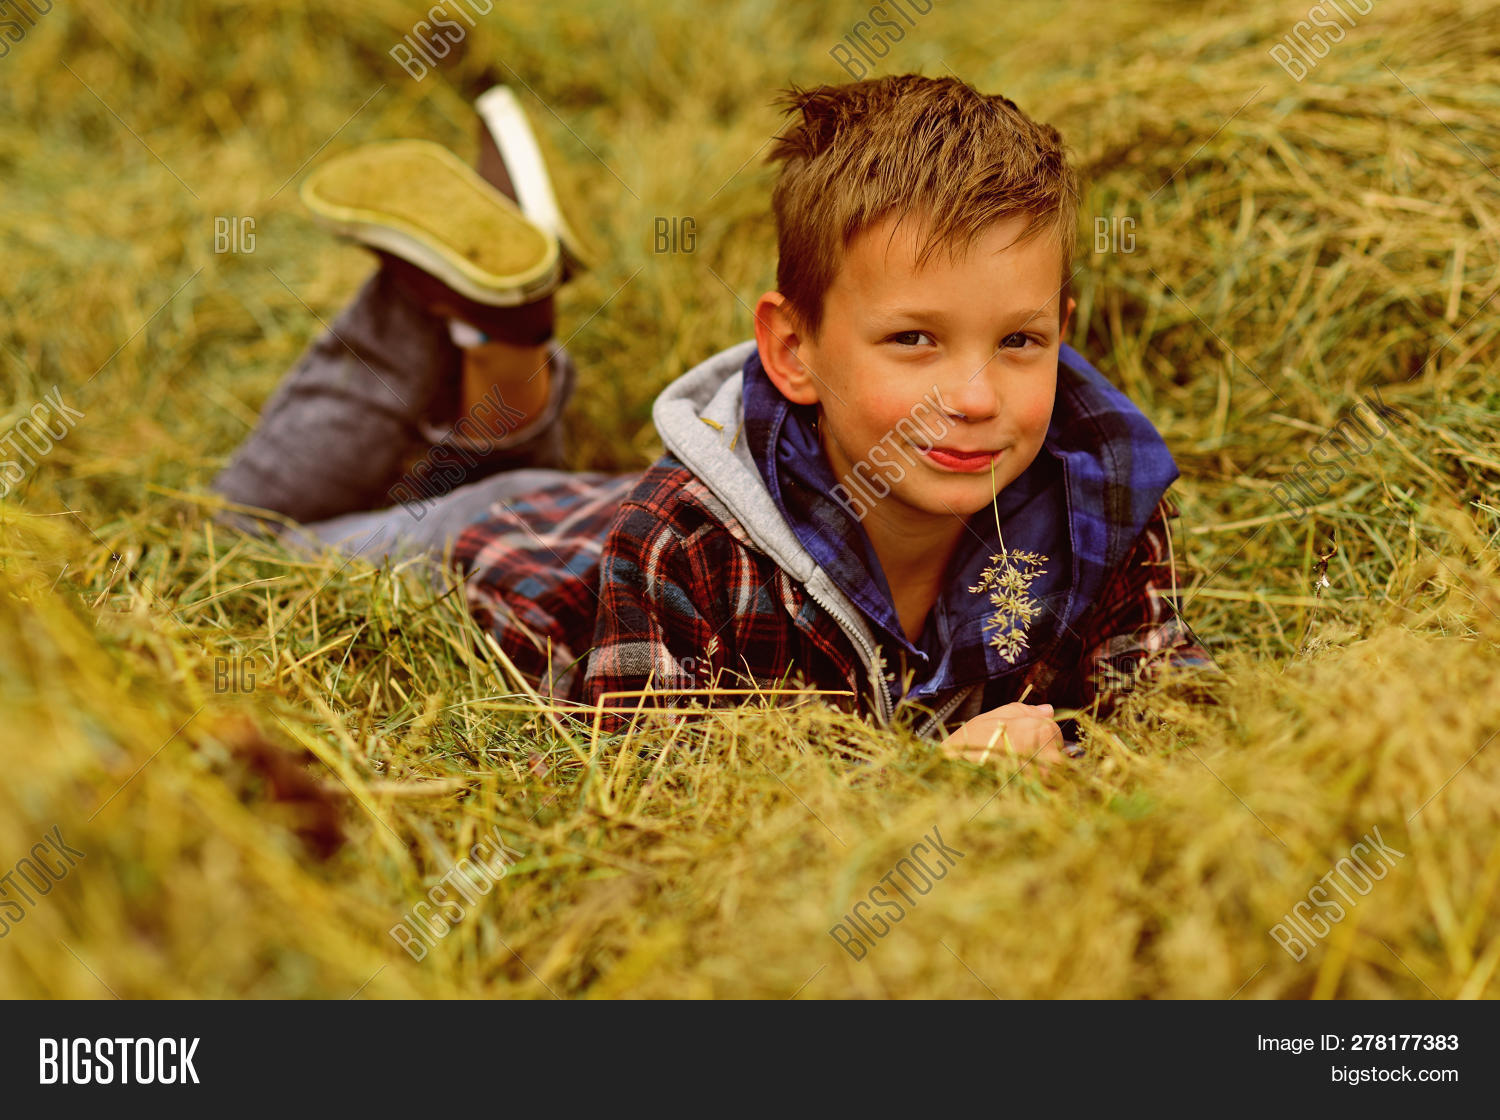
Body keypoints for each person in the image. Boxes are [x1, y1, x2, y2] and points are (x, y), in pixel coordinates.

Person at [214, 75, 1215, 768]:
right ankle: (419, 308)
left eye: (1020, 342)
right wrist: (934, 783)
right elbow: (659, 793)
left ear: (1064, 332)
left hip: (598, 507)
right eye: (913, 341)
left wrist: (1074, 757)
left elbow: (1176, 713)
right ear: (792, 351)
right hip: (499, 550)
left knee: (504, 461)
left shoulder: (1098, 503)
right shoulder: (681, 546)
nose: (977, 396)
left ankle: (505, 337)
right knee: (242, 539)